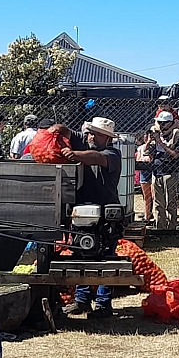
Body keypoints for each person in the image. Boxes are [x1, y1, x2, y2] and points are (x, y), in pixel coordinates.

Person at [56, 116, 122, 319]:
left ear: (107, 138)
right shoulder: (84, 141)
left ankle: (103, 304)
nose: (90, 136)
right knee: (79, 255)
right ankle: (82, 301)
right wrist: (54, 129)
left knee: (106, 257)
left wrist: (74, 154)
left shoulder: (112, 154)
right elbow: (65, 130)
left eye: (96, 134)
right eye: (90, 132)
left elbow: (95, 157)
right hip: (81, 211)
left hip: (105, 212)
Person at [151, 110, 179, 230]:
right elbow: (147, 152)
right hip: (156, 172)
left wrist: (160, 143)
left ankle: (172, 228)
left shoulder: (177, 135)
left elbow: (175, 154)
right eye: (160, 123)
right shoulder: (157, 134)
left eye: (164, 123)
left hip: (170, 172)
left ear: (171, 123)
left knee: (170, 203)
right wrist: (150, 141)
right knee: (158, 203)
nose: (162, 125)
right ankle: (160, 227)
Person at [136, 132, 155, 222]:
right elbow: (138, 160)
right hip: (144, 172)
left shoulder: (156, 146)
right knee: (146, 197)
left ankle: (154, 214)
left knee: (154, 195)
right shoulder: (141, 148)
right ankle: (147, 216)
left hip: (153, 172)